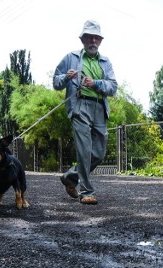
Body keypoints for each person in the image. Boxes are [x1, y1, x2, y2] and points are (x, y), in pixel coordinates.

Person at [53, 20, 118, 205]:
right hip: (79, 106)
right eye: (89, 37)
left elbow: (113, 87)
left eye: (96, 37)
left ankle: (70, 177)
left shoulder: (105, 62)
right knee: (84, 151)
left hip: (99, 107)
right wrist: (66, 77)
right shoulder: (70, 58)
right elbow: (56, 83)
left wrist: (95, 83)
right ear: (83, 39)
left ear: (100, 41)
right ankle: (87, 192)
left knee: (99, 153)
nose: (93, 40)